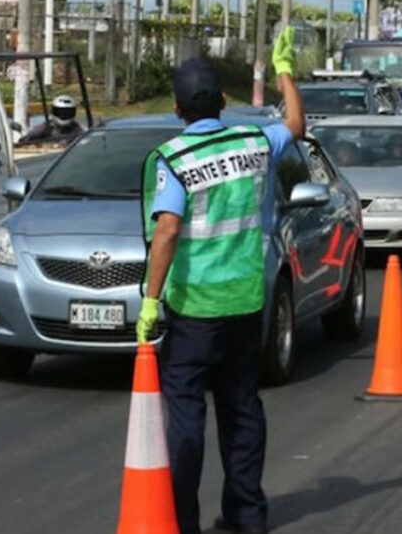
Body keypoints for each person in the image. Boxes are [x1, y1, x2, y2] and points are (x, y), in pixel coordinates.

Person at [138, 28, 304, 534]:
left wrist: (150, 301)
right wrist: (284, 71)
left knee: (187, 417)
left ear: (177, 108)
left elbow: (167, 231)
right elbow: (296, 125)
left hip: (194, 310)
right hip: (246, 301)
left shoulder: (174, 159)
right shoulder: (254, 141)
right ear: (224, 103)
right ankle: (247, 515)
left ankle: (182, 521)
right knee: (242, 410)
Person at [16, 95, 83, 145]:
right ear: (54, 111)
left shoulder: (77, 129)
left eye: (67, 113)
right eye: (60, 112)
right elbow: (25, 140)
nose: (63, 115)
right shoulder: (45, 128)